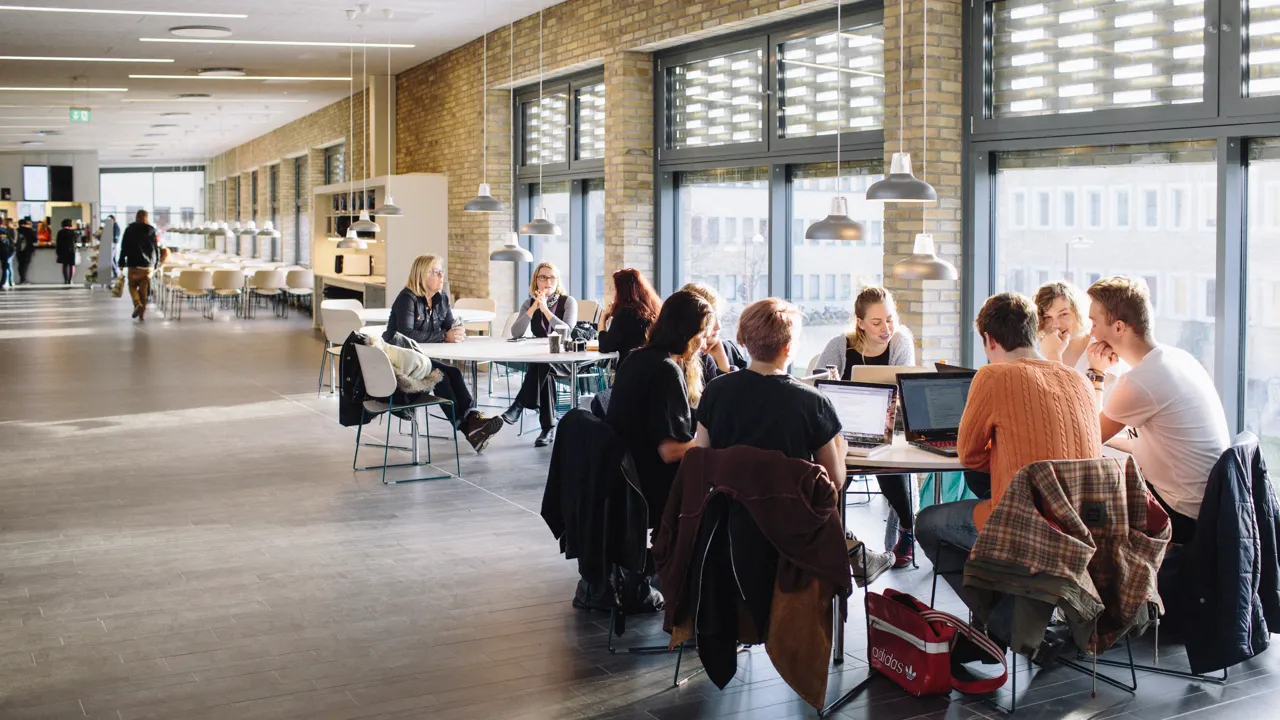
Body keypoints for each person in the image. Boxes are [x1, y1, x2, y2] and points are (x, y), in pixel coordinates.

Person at [695, 298, 895, 582]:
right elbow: (834, 482)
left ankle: (858, 553)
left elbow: (702, 458)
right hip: (792, 531)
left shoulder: (715, 391)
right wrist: (842, 447)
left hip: (727, 526)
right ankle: (857, 555)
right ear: (789, 348)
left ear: (744, 340)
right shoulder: (812, 402)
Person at [917, 292, 1101, 592]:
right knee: (983, 488)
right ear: (1033, 332)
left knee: (927, 524)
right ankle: (1025, 609)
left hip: (1025, 524)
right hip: (1079, 523)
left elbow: (969, 455)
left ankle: (1001, 625)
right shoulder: (1079, 380)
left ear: (989, 340)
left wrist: (1008, 457)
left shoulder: (993, 375)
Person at [1086, 276, 1229, 544]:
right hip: (1211, 506)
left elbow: (1088, 439)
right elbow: (1148, 443)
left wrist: (1097, 373)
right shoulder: (1177, 358)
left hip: (1184, 515)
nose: (1091, 332)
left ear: (1118, 327)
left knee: (1089, 509)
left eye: (1094, 323)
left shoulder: (1142, 381)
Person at [815, 285, 918, 568]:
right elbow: (817, 388)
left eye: (889, 319)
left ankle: (907, 530)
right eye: (876, 322)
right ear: (860, 323)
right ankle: (835, 535)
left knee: (889, 469)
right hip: (842, 429)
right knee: (833, 478)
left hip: (887, 427)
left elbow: (904, 392)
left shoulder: (900, 342)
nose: (886, 327)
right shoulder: (840, 345)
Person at [381, 255, 504, 453]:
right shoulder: (407, 298)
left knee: (453, 372)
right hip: (401, 366)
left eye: (441, 272)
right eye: (436, 272)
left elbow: (449, 326)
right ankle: (471, 427)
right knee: (442, 376)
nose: (441, 276)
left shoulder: (441, 298)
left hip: (421, 360)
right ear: (422, 275)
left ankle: (473, 422)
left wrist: (457, 332)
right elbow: (406, 334)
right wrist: (444, 336)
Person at [607, 290, 710, 515]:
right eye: (703, 334)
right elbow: (670, 452)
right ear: (688, 333)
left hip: (623, 477)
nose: (704, 343)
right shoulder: (666, 370)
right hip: (650, 483)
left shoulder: (637, 357)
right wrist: (710, 441)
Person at [501, 262, 579, 447]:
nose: (547, 281)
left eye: (551, 277)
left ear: (557, 281)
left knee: (542, 365)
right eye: (542, 277)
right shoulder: (529, 303)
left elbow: (565, 332)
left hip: (567, 359)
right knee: (543, 368)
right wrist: (534, 308)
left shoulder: (568, 302)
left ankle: (518, 406)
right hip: (543, 360)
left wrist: (545, 310)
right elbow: (516, 332)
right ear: (536, 281)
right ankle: (548, 428)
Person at [1035, 281, 1126, 392]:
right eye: (1048, 317)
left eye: (1063, 314)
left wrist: (1053, 356)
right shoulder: (1039, 349)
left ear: (1078, 314)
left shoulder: (1101, 350)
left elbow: (1073, 404)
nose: (1056, 325)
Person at [679, 282, 749, 382]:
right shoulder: (677, 358)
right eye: (710, 320)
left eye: (719, 317)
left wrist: (723, 362)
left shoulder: (729, 350)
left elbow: (743, 395)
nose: (718, 327)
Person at [598, 268, 661, 366]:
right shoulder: (653, 310)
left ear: (622, 291)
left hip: (630, 371)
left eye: (615, 289)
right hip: (652, 369)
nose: (613, 292)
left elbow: (606, 346)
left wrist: (603, 318)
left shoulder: (625, 313)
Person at [118, 210, 159, 321]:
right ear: (146, 217)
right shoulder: (151, 230)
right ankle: (142, 313)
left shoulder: (129, 230)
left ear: (136, 217)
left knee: (132, 286)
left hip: (134, 264)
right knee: (144, 289)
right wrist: (156, 262)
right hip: (148, 265)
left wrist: (121, 262)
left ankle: (137, 304)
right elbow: (155, 247)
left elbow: (124, 247)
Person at [55, 219, 78, 285]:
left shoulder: (60, 232)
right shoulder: (73, 232)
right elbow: (76, 240)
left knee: (64, 265)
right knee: (71, 266)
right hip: (71, 251)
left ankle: (66, 279)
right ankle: (70, 279)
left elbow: (58, 243)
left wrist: (58, 252)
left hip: (63, 251)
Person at [15, 218, 37, 285]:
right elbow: (35, 240)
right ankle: (23, 279)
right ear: (25, 224)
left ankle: (22, 278)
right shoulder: (30, 230)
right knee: (25, 264)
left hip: (19, 249)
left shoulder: (16, 231)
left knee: (20, 264)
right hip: (28, 249)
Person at [0, 218, 13, 288]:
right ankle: (3, 282)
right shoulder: (5, 231)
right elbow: (10, 242)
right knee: (4, 267)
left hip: (3, 250)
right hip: (5, 251)